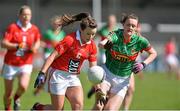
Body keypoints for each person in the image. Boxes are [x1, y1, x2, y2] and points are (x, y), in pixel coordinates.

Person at [31, 12, 98, 110]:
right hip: (58, 75)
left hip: (73, 77)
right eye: (88, 33)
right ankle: (38, 108)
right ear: (81, 30)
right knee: (58, 109)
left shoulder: (92, 46)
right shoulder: (69, 40)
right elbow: (52, 56)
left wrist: (98, 89)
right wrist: (42, 73)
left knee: (78, 105)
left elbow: (94, 71)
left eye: (93, 34)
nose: (91, 37)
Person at [92, 13, 157, 110]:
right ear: (123, 25)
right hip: (107, 75)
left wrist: (143, 64)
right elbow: (102, 43)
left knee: (110, 109)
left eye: (133, 26)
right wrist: (105, 45)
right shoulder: (115, 34)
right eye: (128, 25)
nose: (130, 27)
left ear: (136, 28)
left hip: (123, 81)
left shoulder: (140, 41)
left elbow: (153, 53)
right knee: (98, 106)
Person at [1, 5, 41, 111]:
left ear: (31, 16)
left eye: (28, 14)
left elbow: (37, 41)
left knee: (23, 86)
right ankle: (7, 108)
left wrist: (35, 48)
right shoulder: (12, 27)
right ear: (19, 15)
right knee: (8, 93)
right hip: (10, 63)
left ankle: (16, 98)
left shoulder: (34, 29)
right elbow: (3, 43)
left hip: (25, 63)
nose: (26, 17)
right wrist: (17, 46)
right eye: (24, 14)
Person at [33, 15, 66, 96]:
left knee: (50, 73)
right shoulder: (48, 33)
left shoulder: (62, 34)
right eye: (55, 24)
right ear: (52, 24)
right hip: (48, 54)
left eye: (59, 24)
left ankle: (41, 87)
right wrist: (47, 45)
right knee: (49, 72)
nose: (57, 25)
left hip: (58, 55)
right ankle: (45, 87)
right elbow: (40, 42)